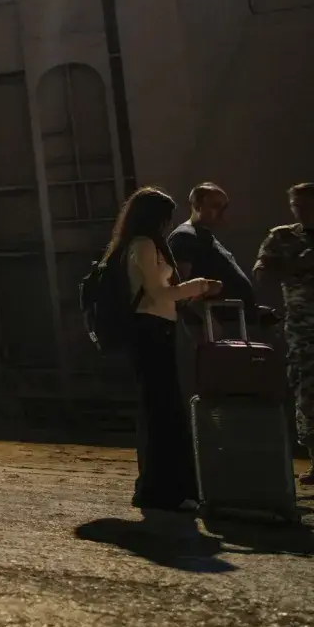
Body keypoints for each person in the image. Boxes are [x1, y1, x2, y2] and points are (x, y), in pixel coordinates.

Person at [107, 187, 223, 512]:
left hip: (157, 330)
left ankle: (162, 489)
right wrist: (201, 285)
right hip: (151, 331)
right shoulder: (143, 245)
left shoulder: (143, 244)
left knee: (161, 409)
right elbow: (159, 293)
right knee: (163, 410)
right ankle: (163, 490)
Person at [254, 182, 314, 489]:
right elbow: (262, 274)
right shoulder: (283, 237)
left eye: (307, 206)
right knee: (310, 398)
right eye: (296, 206)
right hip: (306, 335)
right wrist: (296, 265)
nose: (301, 212)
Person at [168, 182, 256, 313]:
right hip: (217, 321)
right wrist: (206, 317)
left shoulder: (204, 236)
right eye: (216, 206)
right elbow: (180, 290)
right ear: (197, 206)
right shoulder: (184, 237)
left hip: (235, 318)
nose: (222, 212)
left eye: (224, 207)